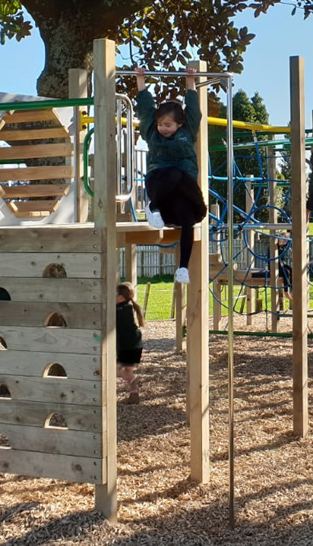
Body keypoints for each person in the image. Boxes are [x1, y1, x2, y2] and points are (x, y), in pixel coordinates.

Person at [134, 68, 207, 284]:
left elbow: (194, 110)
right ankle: (152, 206)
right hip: (159, 184)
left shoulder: (188, 132)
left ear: (179, 124)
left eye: (168, 125)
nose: (162, 128)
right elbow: (146, 110)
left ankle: (183, 268)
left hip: (181, 193)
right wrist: (141, 81)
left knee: (189, 219)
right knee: (174, 172)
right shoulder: (151, 133)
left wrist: (191, 82)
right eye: (160, 124)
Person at [115, 282, 145, 404]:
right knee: (128, 370)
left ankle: (133, 379)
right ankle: (134, 395)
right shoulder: (129, 306)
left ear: (120, 297)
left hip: (127, 346)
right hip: (134, 345)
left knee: (110, 370)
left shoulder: (120, 309)